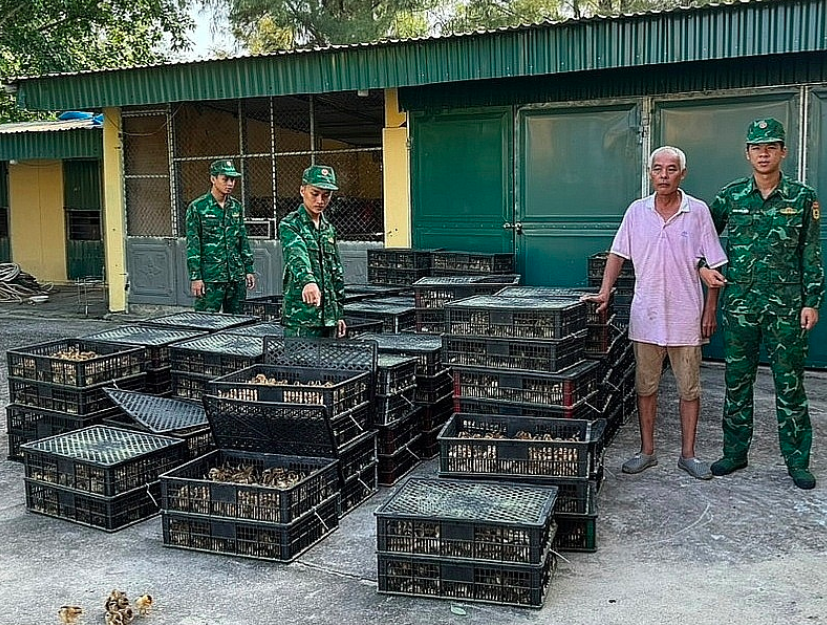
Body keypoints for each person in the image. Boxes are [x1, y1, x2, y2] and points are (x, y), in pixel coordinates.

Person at [590, 146, 727, 480]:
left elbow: (715, 263)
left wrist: (710, 309)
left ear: (683, 173)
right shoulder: (637, 212)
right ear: (650, 173)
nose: (663, 175)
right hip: (647, 315)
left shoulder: (697, 212)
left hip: (686, 315)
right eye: (657, 169)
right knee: (646, 386)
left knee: (689, 389)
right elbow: (617, 254)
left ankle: (689, 455)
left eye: (671, 169)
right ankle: (647, 451)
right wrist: (605, 291)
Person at [701, 118, 824, 490]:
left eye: (771, 146)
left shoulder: (803, 197)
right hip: (741, 305)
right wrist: (703, 268)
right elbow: (700, 238)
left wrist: (812, 301)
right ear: (747, 153)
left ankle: (797, 461)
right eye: (757, 147)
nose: (764, 153)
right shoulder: (730, 197)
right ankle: (735, 453)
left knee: (790, 385)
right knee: (738, 382)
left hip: (787, 307)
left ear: (783, 152)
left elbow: (811, 252)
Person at [279, 164, 346, 338]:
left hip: (329, 317)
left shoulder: (328, 229)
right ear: (302, 190)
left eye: (326, 195)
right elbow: (296, 254)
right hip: (302, 316)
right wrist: (308, 281)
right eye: (314, 194)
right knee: (298, 363)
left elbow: (335, 272)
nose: (320, 201)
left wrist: (338, 313)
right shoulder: (291, 224)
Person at [185, 159, 256, 313]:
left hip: (235, 276)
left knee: (239, 322)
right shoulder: (198, 208)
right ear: (213, 179)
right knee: (205, 322)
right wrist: (196, 277)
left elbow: (242, 239)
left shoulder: (235, 206)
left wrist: (248, 269)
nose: (230, 183)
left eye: (232, 179)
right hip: (211, 278)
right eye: (225, 179)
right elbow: (193, 244)